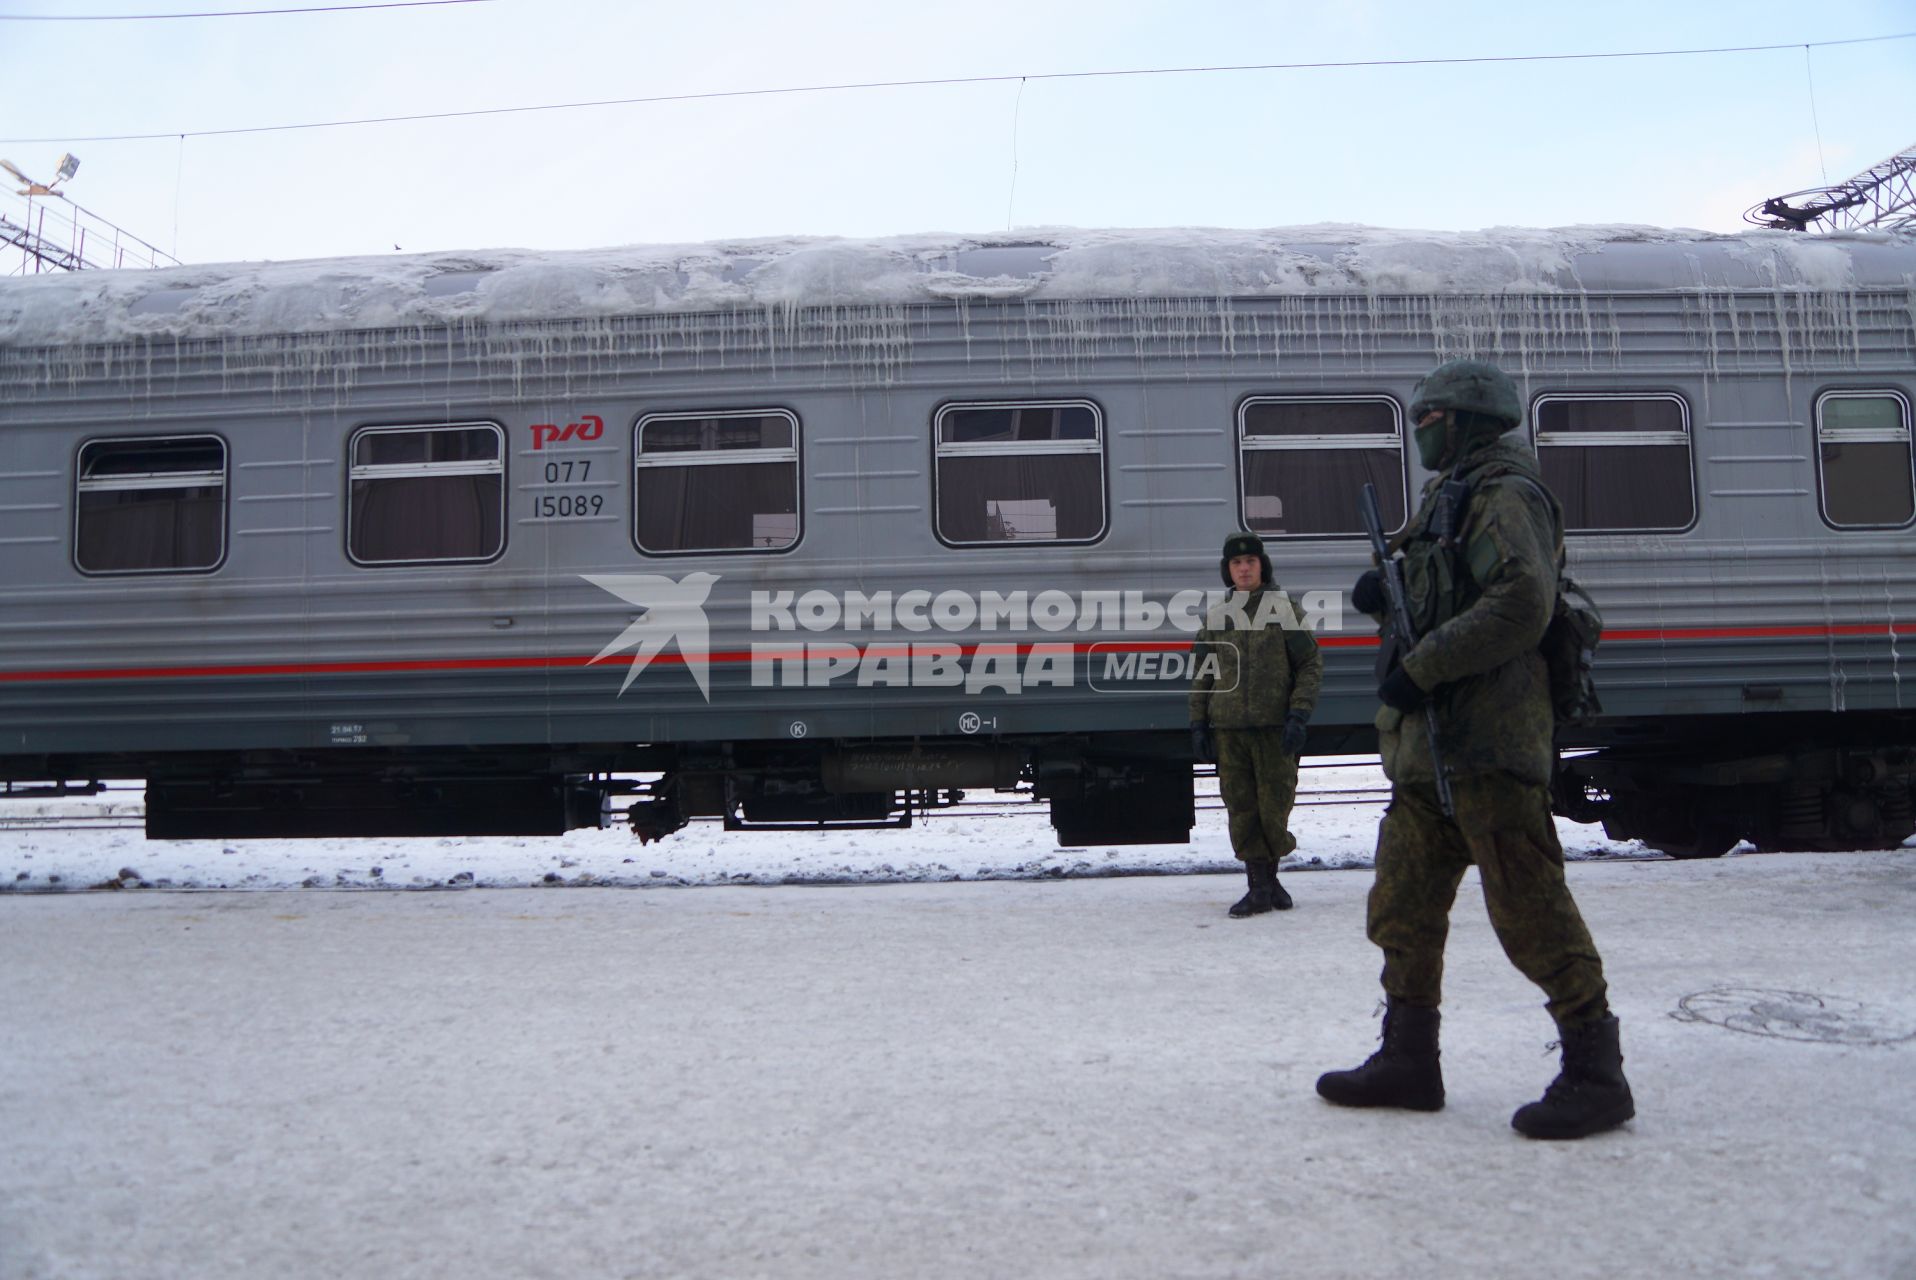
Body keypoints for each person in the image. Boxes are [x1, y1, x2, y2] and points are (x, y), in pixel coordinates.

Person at [1314, 358, 1635, 1140]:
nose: (1420, 429)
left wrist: (1421, 669)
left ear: (1463, 420)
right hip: (1431, 754)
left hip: (1487, 747)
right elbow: (1434, 585)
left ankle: (1597, 1071)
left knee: (1530, 910)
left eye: (1429, 417)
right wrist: (1377, 587)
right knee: (1402, 908)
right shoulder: (1448, 498)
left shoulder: (1503, 494)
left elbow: (1524, 601)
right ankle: (1409, 1059)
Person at [1188, 532, 1322, 917]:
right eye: (1236, 563)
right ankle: (1261, 886)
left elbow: (1309, 665)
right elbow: (1203, 672)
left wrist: (1298, 713)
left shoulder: (1284, 611)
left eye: (1250, 562)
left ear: (1262, 566)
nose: (1243, 569)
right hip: (1230, 729)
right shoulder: (1217, 617)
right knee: (1242, 808)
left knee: (1274, 808)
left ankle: (1267, 882)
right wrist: (1198, 722)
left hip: (1274, 727)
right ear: (1227, 571)